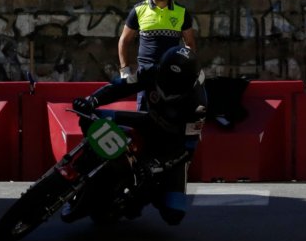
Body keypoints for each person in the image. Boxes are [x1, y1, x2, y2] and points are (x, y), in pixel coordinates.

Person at [71, 44, 205, 226]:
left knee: (174, 214)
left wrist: (160, 165)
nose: (168, 84)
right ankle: (85, 161)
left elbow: (188, 147)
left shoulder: (198, 103)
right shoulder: (150, 71)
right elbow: (119, 87)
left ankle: (149, 195)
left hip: (173, 145)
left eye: (176, 82)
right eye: (166, 77)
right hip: (149, 122)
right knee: (91, 116)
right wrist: (91, 100)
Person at [117, 0, 198, 91]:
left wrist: (187, 68)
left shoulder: (181, 12)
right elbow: (124, 40)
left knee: (171, 103)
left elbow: (190, 44)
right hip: (145, 74)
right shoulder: (138, 10)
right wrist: (124, 71)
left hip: (171, 74)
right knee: (144, 104)